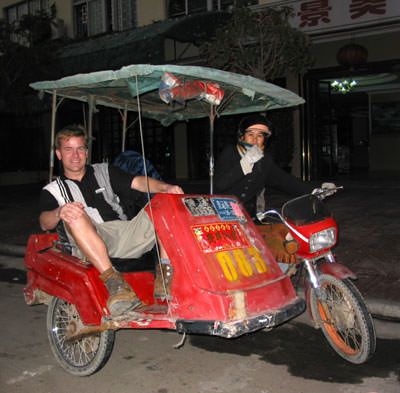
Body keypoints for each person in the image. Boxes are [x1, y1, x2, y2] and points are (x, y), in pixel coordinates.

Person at [39, 125, 183, 317]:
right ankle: (116, 286)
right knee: (75, 213)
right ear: (58, 154)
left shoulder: (103, 171)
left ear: (87, 152)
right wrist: (60, 212)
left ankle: (165, 278)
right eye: (68, 149)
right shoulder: (53, 189)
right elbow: (44, 222)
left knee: (165, 202)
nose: (75, 155)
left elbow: (138, 182)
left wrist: (166, 187)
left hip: (123, 233)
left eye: (80, 148)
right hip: (87, 239)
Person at [214, 114, 313, 219]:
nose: (255, 140)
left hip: (247, 215)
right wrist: (243, 165)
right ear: (242, 136)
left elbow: (285, 181)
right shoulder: (230, 152)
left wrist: (314, 191)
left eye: (260, 136)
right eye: (250, 134)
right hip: (222, 212)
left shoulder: (264, 159)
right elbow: (220, 185)